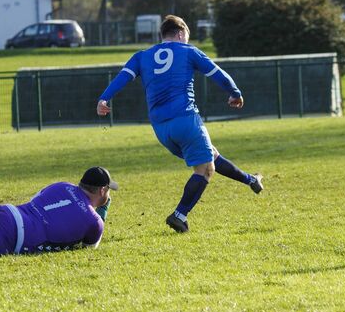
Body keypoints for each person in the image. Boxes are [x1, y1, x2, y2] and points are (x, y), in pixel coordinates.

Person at [96, 15, 263, 234]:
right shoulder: (189, 51)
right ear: (181, 33)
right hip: (185, 119)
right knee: (205, 169)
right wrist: (235, 93)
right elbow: (218, 73)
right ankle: (179, 215)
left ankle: (250, 180)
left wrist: (103, 99)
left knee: (210, 156)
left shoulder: (142, 56)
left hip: (161, 130)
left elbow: (121, 79)